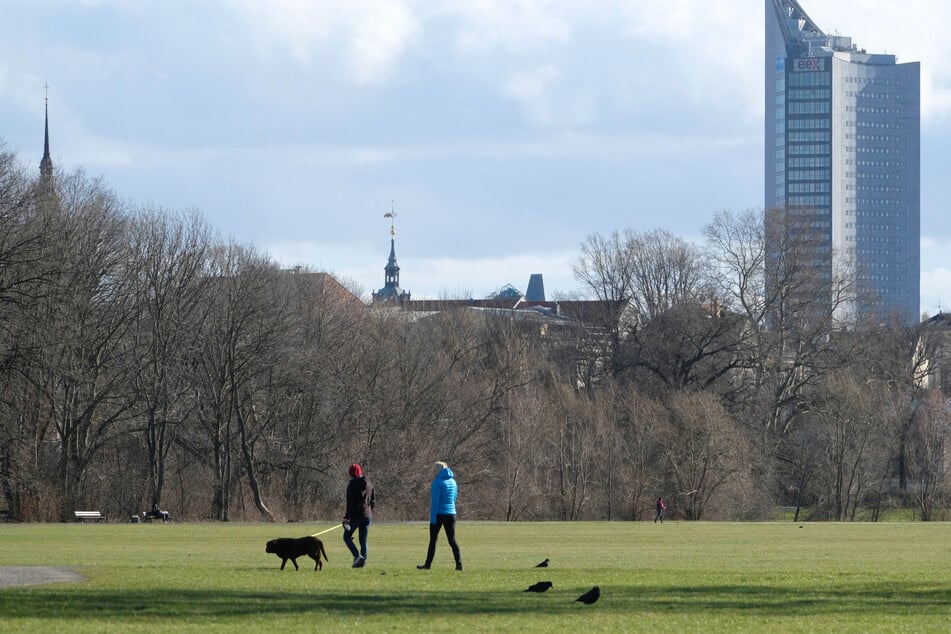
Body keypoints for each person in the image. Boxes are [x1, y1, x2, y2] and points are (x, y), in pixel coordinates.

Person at [417, 461, 463, 571]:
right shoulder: (453, 481)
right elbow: (454, 497)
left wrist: (432, 519)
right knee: (452, 540)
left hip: (439, 514)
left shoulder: (437, 482)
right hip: (451, 513)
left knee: (433, 540)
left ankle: (428, 564)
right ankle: (459, 564)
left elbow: (435, 502)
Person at [343, 463, 374, 568]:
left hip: (356, 516)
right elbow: (372, 500)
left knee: (347, 537)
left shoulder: (352, 484)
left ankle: (357, 556)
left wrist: (347, 517)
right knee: (363, 540)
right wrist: (369, 511)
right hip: (367, 515)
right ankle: (362, 562)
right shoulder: (369, 483)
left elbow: (350, 502)